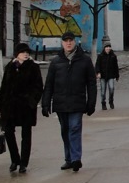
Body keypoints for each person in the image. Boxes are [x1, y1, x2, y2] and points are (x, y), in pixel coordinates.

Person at [41, 32, 97, 172]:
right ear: (62, 43)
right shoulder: (56, 62)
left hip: (77, 102)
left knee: (75, 128)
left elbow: (91, 83)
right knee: (65, 131)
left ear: (75, 42)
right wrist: (45, 103)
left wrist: (91, 102)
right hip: (60, 103)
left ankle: (76, 159)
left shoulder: (84, 60)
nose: (68, 43)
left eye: (70, 40)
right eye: (65, 41)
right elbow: (49, 84)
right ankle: (69, 159)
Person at [0, 42, 44, 174]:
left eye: (27, 52)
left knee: (26, 135)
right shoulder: (10, 67)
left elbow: (39, 87)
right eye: (23, 52)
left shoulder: (33, 67)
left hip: (26, 107)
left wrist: (32, 101)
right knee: (8, 133)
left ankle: (23, 162)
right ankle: (15, 159)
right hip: (10, 106)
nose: (26, 54)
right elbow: (4, 87)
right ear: (17, 54)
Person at [95, 41, 120, 110]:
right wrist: (98, 72)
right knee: (103, 91)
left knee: (111, 88)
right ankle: (103, 103)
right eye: (107, 47)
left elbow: (116, 66)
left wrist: (117, 75)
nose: (108, 48)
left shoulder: (113, 56)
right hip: (103, 76)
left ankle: (111, 101)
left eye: (109, 47)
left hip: (111, 75)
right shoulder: (100, 56)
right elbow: (97, 65)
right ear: (104, 48)